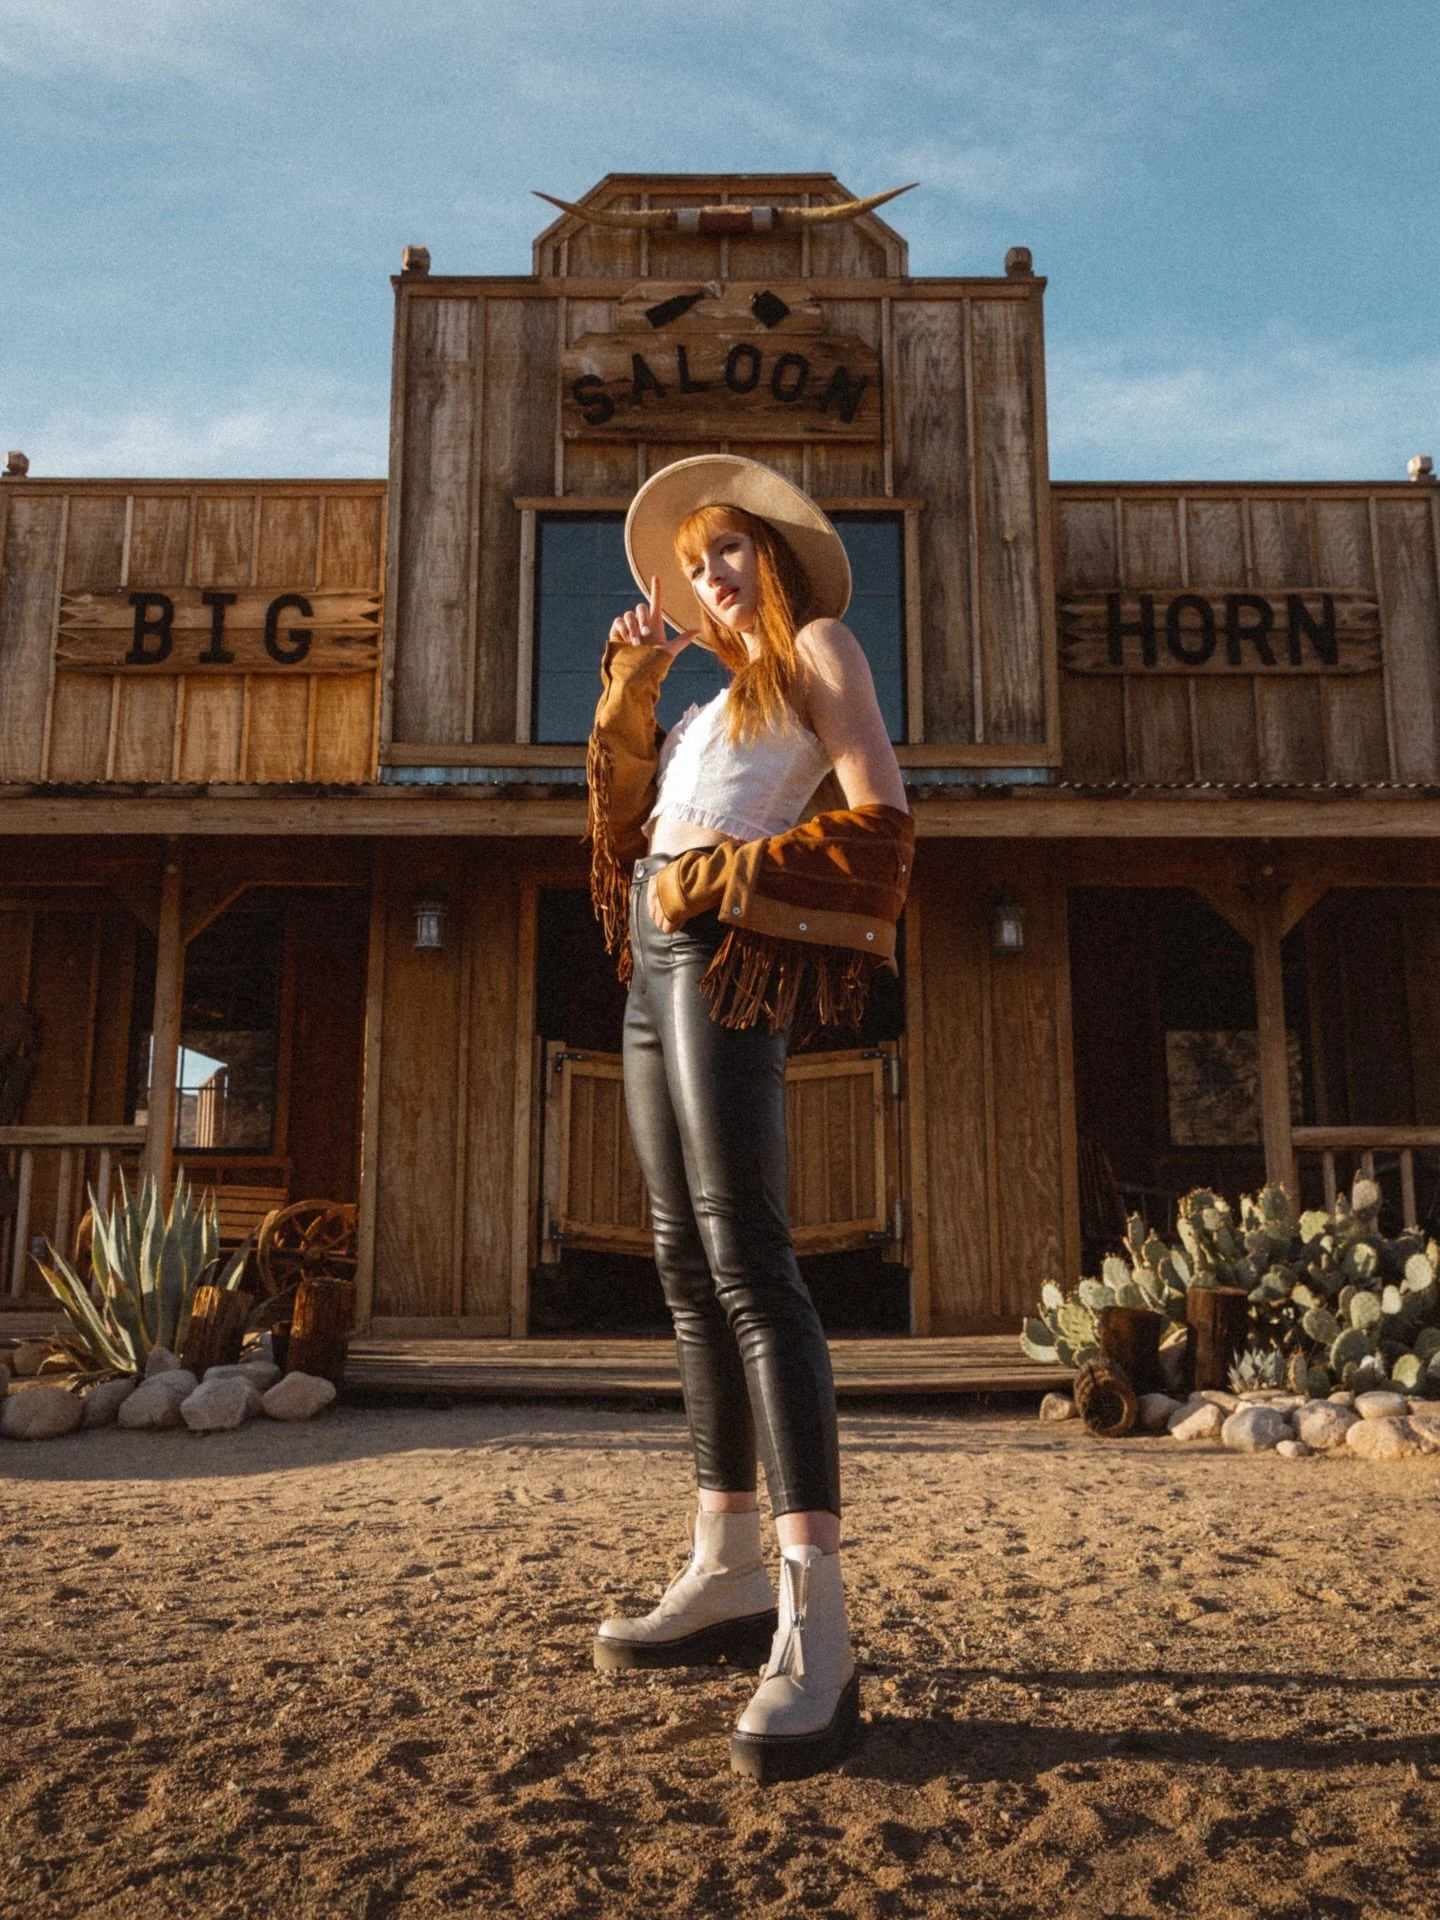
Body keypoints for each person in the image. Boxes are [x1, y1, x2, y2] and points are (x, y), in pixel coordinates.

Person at [584, 455, 914, 1782]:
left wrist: (721, 878)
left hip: (727, 946)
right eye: (693, 564)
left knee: (751, 1267)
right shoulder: (708, 705)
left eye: (727, 550)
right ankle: (724, 1567)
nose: (709, 577)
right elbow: (625, 837)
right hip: (652, 960)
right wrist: (631, 686)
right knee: (682, 1266)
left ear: (772, 557)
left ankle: (817, 1622)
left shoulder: (822, 651)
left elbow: (883, 826)